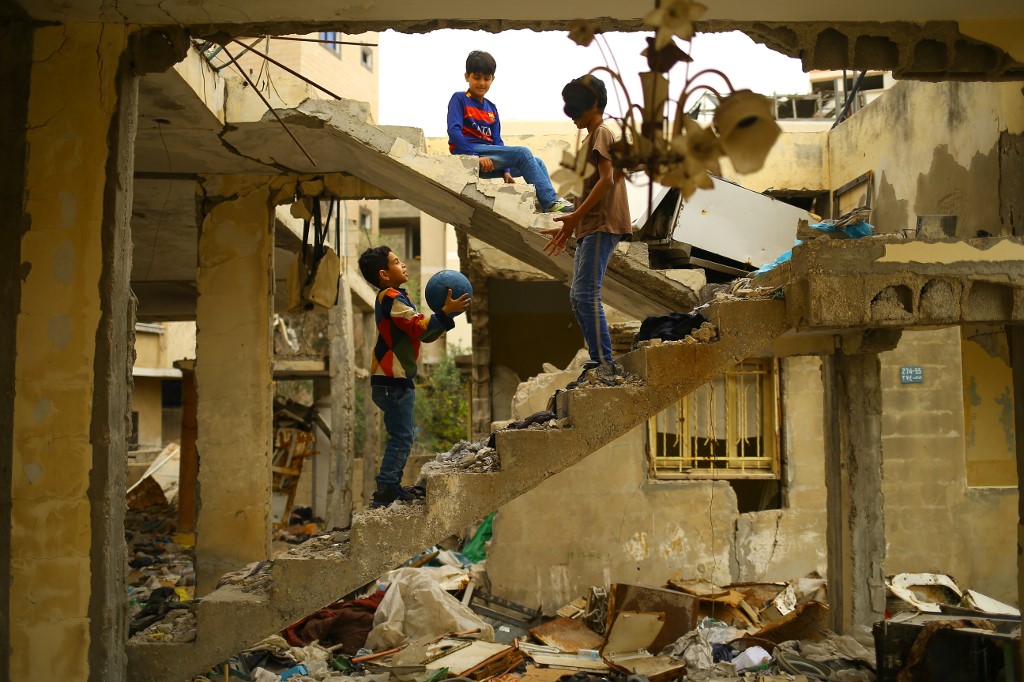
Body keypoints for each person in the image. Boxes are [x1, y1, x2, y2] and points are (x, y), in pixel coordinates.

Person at [357, 246, 472, 508]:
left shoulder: (398, 297)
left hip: (396, 379)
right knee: (401, 436)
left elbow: (424, 334)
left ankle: (390, 486)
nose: (404, 264)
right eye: (397, 262)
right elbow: (418, 327)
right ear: (384, 274)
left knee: (402, 434)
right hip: (391, 379)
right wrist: (444, 312)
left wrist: (446, 315)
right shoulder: (390, 297)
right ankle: (387, 488)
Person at [541, 75, 632, 386]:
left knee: (585, 294)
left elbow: (606, 180)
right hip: (589, 226)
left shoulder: (601, 133)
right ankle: (598, 360)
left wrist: (577, 215)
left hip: (602, 223)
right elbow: (587, 188)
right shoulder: (589, 139)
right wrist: (570, 225)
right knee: (578, 297)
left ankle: (606, 365)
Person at [447, 50, 574, 214]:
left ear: (493, 79)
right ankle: (551, 201)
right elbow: (454, 131)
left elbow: (497, 142)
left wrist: (506, 171)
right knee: (523, 153)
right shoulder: (459, 98)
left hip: (490, 158)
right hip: (468, 153)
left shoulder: (491, 108)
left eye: (486, 78)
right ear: (467, 77)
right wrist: (475, 156)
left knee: (538, 163)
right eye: (476, 77)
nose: (482, 83)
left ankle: (548, 210)